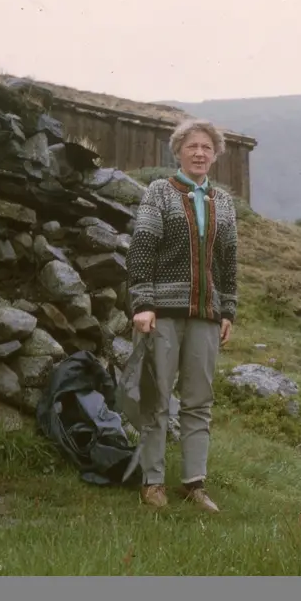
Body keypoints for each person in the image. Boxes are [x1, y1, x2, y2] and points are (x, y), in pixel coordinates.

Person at [123, 118, 238, 513]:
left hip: (207, 315)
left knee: (198, 401)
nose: (200, 153)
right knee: (156, 398)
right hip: (162, 314)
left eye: (207, 147)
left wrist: (229, 311)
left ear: (216, 154)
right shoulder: (160, 192)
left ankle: (194, 483)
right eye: (192, 147)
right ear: (178, 152)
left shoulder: (222, 202)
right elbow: (141, 249)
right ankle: (153, 482)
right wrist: (142, 304)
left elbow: (228, 262)